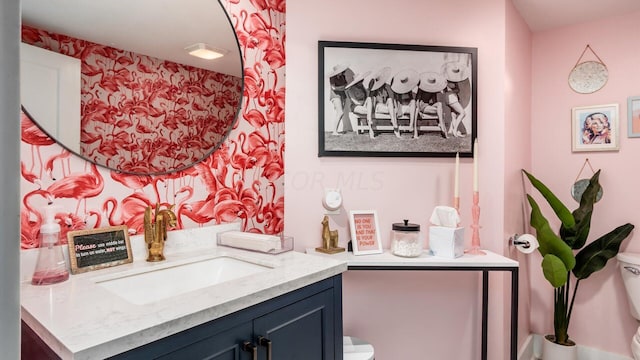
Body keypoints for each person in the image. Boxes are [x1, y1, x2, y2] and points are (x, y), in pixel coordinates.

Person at [442, 61, 471, 138]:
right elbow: (444, 90)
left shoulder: (455, 80)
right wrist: (451, 90)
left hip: (454, 97)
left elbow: (458, 90)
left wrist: (452, 90)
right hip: (450, 98)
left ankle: (456, 132)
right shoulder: (446, 80)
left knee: (454, 115)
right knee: (462, 113)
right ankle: (455, 130)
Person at [363, 67, 393, 139]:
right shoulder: (373, 90)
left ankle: (394, 123)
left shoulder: (385, 88)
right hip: (375, 106)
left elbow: (389, 98)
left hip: (382, 106)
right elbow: (370, 98)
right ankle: (370, 127)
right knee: (371, 99)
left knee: (390, 102)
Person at [415, 72, 447, 138]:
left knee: (439, 104)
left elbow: (435, 101)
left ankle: (440, 124)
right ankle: (441, 126)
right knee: (439, 109)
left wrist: (438, 108)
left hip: (428, 105)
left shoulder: (433, 89)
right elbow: (417, 100)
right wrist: (419, 111)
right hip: (422, 106)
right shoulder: (421, 88)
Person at [390, 69, 419, 139]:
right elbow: (394, 100)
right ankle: (414, 131)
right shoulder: (396, 90)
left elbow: (413, 100)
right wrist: (396, 107)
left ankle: (411, 125)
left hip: (408, 107)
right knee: (414, 107)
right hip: (401, 108)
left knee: (413, 103)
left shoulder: (409, 90)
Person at [328, 64, 355, 135]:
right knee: (340, 112)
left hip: (342, 96)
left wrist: (344, 87)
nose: (342, 72)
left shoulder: (343, 76)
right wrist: (342, 88)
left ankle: (335, 131)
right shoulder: (332, 77)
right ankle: (334, 131)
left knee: (341, 113)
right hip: (335, 96)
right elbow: (334, 88)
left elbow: (346, 86)